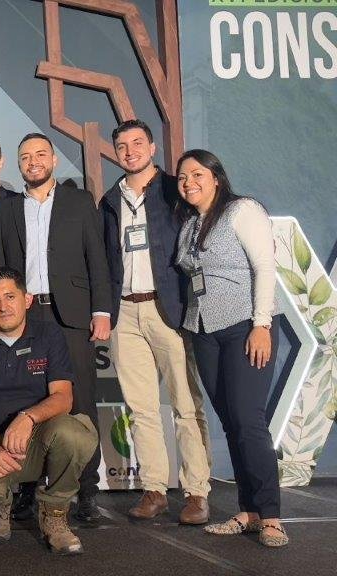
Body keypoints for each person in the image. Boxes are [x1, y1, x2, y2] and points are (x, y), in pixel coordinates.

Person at [0, 133, 112, 522]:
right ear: (18, 164)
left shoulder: (79, 201)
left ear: (54, 160)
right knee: (26, 398)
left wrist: (102, 311)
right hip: (25, 317)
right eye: (26, 156)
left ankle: (88, 491)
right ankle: (27, 488)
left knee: (81, 400)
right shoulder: (7, 209)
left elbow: (98, 259)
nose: (33, 161)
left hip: (72, 316)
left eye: (41, 154)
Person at [173, 149, 286, 547]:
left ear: (216, 177)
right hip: (204, 331)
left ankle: (271, 516)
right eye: (182, 177)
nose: (189, 182)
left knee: (249, 420)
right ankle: (248, 511)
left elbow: (265, 267)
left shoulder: (242, 210)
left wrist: (261, 324)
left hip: (244, 327)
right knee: (231, 422)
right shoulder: (190, 225)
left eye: (197, 174)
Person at [101, 120, 211, 523]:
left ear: (152, 148)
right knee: (141, 407)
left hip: (169, 309)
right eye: (122, 145)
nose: (129, 151)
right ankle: (154, 489)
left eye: (137, 143)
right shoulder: (109, 200)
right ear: (115, 152)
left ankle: (197, 492)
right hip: (125, 312)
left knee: (185, 404)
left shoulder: (173, 190)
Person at [0, 267, 97, 554]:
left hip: (36, 441)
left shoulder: (49, 334)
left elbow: (63, 398)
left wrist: (27, 417)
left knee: (75, 433)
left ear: (27, 300)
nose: (3, 307)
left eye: (10, 297)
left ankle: (55, 514)